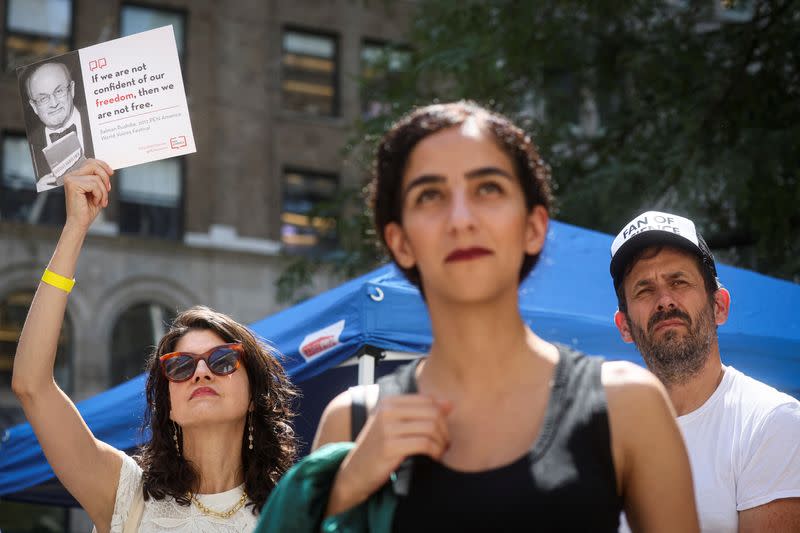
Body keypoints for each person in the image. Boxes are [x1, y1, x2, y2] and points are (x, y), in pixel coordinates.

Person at [256, 102, 699, 532]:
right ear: (400, 241)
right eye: (430, 195)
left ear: (533, 226)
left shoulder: (628, 404)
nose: (461, 219)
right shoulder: (352, 422)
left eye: (488, 188)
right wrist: (345, 491)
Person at [11, 160, 298, 532]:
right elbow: (31, 385)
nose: (201, 372)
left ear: (254, 390)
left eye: (223, 360)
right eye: (180, 366)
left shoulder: (291, 514)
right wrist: (74, 229)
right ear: (168, 405)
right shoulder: (126, 495)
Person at [610, 211, 800, 532]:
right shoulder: (596, 435)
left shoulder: (771, 421)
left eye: (679, 281)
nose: (664, 301)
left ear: (719, 307)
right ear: (624, 326)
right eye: (644, 290)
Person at [24, 60, 94, 186]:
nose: (54, 103)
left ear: (71, 89)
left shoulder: (99, 119)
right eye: (43, 98)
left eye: (59, 91)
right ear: (34, 106)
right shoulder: (27, 145)